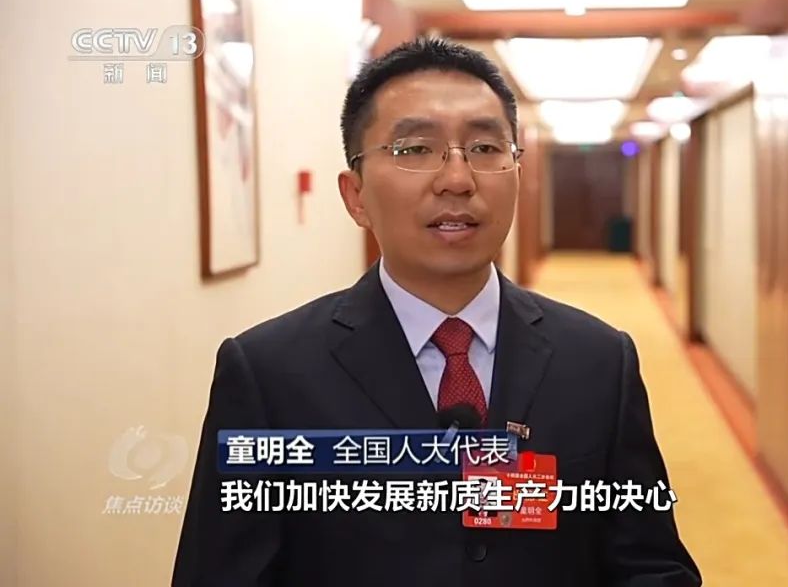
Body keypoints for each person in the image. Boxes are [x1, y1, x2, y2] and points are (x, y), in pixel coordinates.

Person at [172, 36, 701, 587]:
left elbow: (650, 564)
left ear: (518, 174)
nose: (457, 180)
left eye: (486, 148)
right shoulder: (270, 373)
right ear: (355, 196)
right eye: (414, 150)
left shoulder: (600, 360)